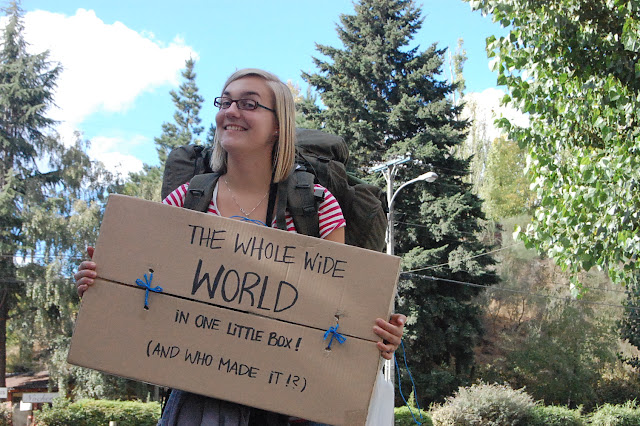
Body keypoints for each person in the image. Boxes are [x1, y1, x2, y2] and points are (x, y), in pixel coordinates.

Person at [75, 68, 406, 425]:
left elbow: (340, 307)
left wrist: (379, 335)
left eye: (249, 104)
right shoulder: (187, 198)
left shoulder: (316, 203)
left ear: (278, 125)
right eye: (226, 102)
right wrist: (101, 284)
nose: (231, 111)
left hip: (292, 402)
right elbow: (144, 286)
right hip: (202, 400)